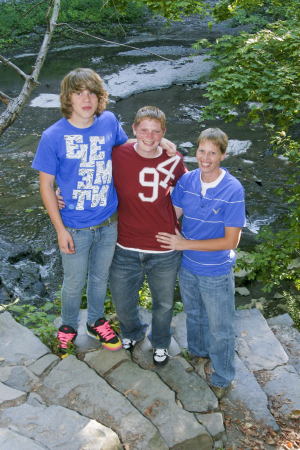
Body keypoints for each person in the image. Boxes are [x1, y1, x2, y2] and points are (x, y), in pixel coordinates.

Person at [31, 67, 129, 357]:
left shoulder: (109, 122)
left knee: (100, 277)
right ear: (68, 99)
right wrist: (60, 229)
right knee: (74, 282)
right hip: (74, 226)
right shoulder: (53, 136)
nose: (86, 99)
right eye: (78, 93)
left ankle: (96, 321)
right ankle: (68, 327)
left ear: (100, 98)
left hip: (108, 221)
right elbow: (47, 186)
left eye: (92, 93)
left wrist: (161, 144)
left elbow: (127, 154)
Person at [156, 128, 246, 395]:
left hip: (215, 271)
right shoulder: (187, 181)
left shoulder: (233, 189)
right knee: (194, 315)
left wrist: (184, 243)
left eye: (212, 153)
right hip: (188, 267)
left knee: (221, 327)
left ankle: (222, 376)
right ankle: (198, 353)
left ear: (223, 155)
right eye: (202, 151)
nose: (206, 158)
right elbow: (173, 213)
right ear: (196, 152)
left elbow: (232, 241)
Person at [109, 106, 187, 366]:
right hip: (125, 245)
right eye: (144, 130)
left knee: (163, 304)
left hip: (164, 250)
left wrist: (173, 218)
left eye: (156, 132)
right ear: (134, 129)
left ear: (164, 133)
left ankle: (161, 342)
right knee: (122, 298)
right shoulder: (118, 154)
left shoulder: (174, 160)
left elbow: (188, 192)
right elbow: (87, 174)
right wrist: (62, 194)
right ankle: (132, 331)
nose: (150, 136)